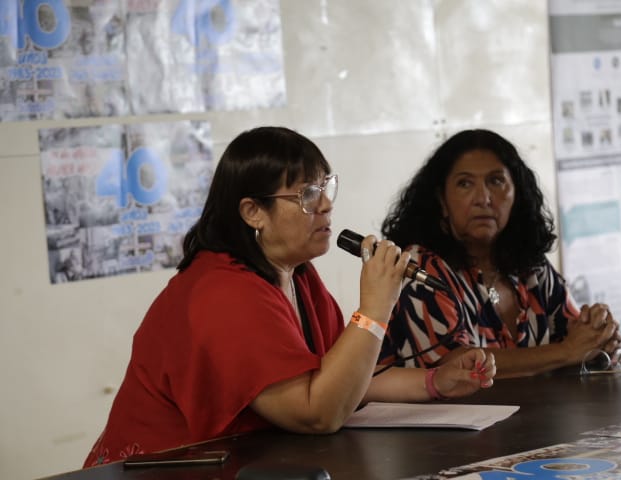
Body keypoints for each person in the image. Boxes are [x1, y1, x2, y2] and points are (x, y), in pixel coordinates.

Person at [83, 126, 496, 467]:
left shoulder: (297, 274)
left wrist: (434, 382)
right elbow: (316, 413)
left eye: (326, 188)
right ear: (253, 212)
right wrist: (375, 308)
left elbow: (343, 378)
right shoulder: (221, 293)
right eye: (308, 195)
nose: (326, 206)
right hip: (163, 470)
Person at [378, 129, 621, 378]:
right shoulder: (419, 267)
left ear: (517, 194)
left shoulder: (531, 265)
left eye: (496, 181)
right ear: (441, 200)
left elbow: (576, 341)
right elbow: (455, 366)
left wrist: (598, 335)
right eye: (465, 184)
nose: (483, 198)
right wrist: (567, 351)